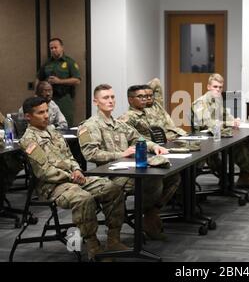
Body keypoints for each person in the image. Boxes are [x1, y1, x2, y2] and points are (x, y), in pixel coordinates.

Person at [19, 97, 127, 261]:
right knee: (84, 198)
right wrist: (71, 175)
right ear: (28, 116)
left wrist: (76, 169)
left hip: (74, 178)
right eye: (40, 113)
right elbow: (44, 172)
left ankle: (113, 240)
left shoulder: (53, 131)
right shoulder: (29, 140)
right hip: (52, 187)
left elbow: (69, 156)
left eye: (47, 111)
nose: (46, 116)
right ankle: (93, 247)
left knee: (113, 188)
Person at [78, 84, 180, 240]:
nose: (110, 100)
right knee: (154, 180)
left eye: (112, 97)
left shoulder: (119, 124)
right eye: (105, 97)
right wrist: (121, 154)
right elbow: (91, 154)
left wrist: (155, 146)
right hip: (110, 174)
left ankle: (151, 213)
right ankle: (147, 216)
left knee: (173, 176)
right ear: (95, 101)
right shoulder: (89, 126)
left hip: (130, 169)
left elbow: (139, 138)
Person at [192, 73, 249, 188]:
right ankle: (246, 174)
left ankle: (247, 174)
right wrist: (229, 123)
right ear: (208, 87)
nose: (218, 90)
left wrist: (234, 120)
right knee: (238, 145)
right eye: (215, 87)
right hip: (206, 142)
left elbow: (225, 116)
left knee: (246, 140)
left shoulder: (217, 101)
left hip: (219, 136)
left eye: (220, 87)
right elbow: (208, 124)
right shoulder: (200, 103)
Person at [37, 38, 81, 127]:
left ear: (62, 48)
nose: (53, 50)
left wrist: (59, 81)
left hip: (64, 99)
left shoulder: (69, 62)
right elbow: (38, 78)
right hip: (48, 99)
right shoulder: (47, 63)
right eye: (51, 48)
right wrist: (36, 93)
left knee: (65, 124)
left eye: (55, 47)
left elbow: (77, 80)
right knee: (45, 123)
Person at [119, 85, 186, 141]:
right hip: (148, 147)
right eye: (140, 96)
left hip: (162, 143)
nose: (144, 99)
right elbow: (132, 138)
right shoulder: (128, 116)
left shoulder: (149, 111)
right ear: (130, 100)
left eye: (144, 96)